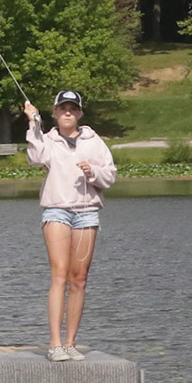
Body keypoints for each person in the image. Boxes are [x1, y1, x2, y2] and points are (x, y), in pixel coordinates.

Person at [23, 91, 117, 361]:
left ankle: (71, 343)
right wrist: (33, 123)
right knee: (60, 275)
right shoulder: (48, 139)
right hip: (57, 210)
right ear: (54, 113)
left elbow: (109, 175)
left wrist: (93, 172)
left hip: (87, 213)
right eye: (62, 108)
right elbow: (35, 157)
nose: (68, 112)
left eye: (72, 109)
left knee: (79, 279)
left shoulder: (93, 140)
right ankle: (54, 345)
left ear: (79, 113)